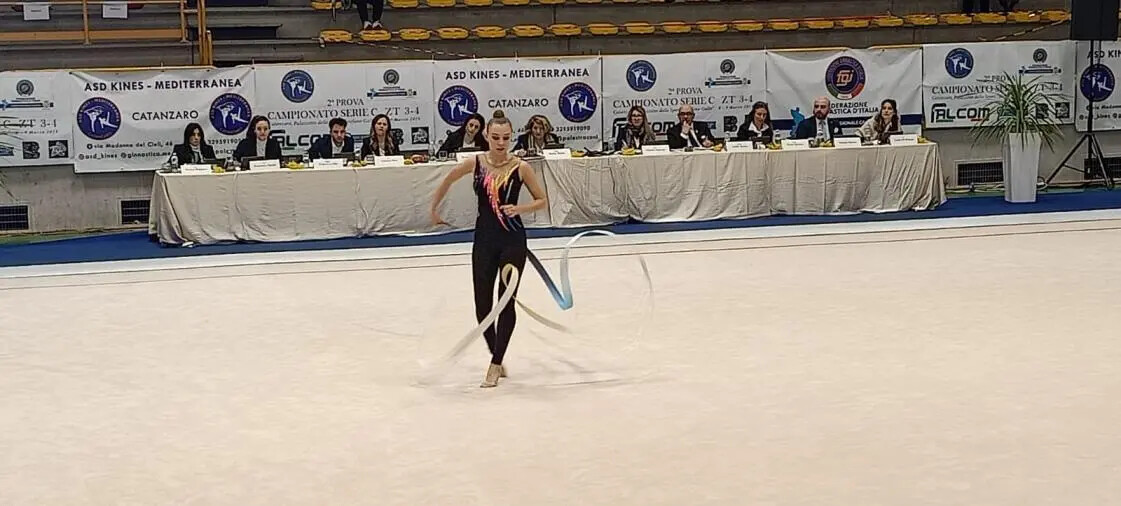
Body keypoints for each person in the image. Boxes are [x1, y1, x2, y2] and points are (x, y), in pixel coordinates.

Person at [429, 110, 548, 388]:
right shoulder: (477, 163)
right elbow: (447, 179)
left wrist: (520, 208)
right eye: (495, 137)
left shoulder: (521, 167)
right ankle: (497, 351)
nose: (500, 142)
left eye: (506, 138)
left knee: (505, 301)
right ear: (486, 136)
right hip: (484, 239)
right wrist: (433, 208)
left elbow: (542, 200)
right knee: (482, 307)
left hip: (513, 240)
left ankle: (496, 362)